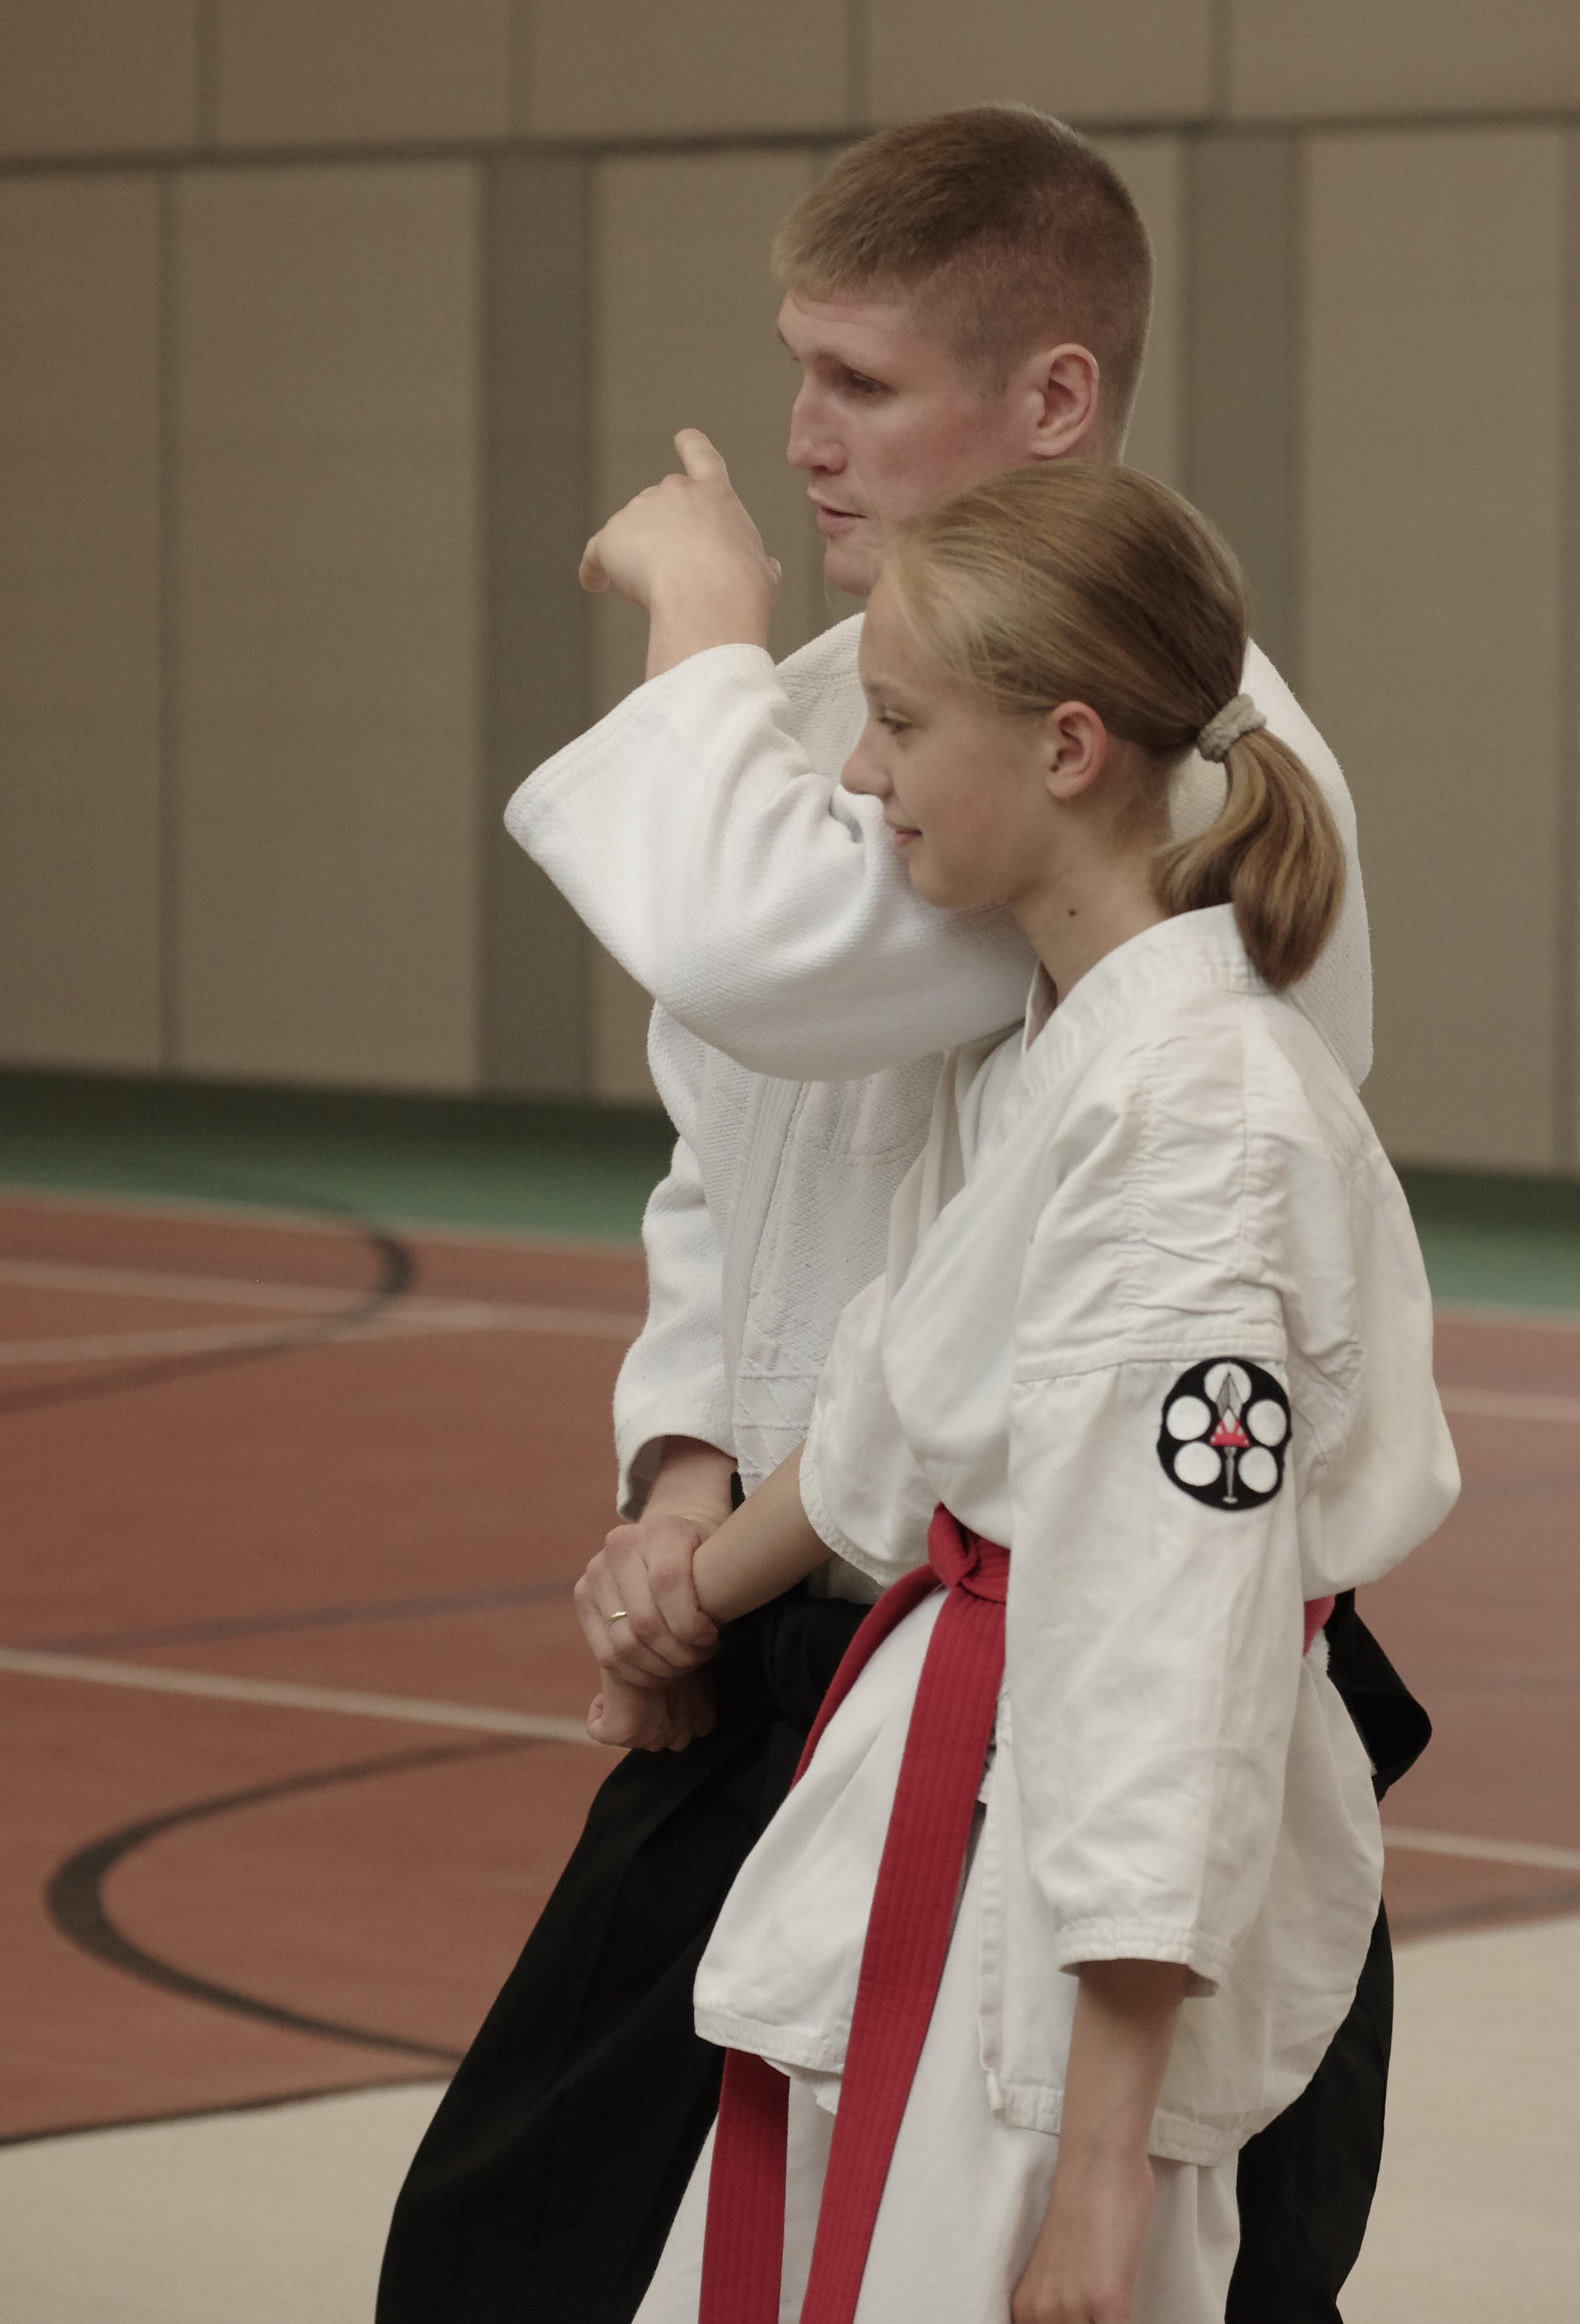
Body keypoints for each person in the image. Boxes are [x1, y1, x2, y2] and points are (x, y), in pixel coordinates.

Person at [377, 107, 1426, 2324]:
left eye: (857, 382)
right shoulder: (883, 736)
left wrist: (692, 609)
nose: (802, 436)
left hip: (1069, 1717)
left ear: (1050, 399)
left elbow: (751, 944)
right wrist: (682, 1515)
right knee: (511, 2249)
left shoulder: (1174, 786)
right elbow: (748, 1184)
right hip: (815, 1637)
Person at [591, 461, 1459, 2324]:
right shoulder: (1054, 1053)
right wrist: (677, 1598)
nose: (857, 774)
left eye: (899, 724)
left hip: (1050, 1970)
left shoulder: (1204, 1132)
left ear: (1069, 748)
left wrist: (1095, 2176)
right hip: (947, 1832)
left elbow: (1175, 1658)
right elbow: (892, 1432)